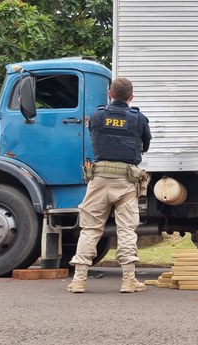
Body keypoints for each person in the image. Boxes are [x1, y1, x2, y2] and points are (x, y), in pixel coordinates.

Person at [67, 77, 152, 293]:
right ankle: (128, 281)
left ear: (109, 94)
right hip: (125, 181)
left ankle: (78, 281)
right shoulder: (138, 119)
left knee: (90, 229)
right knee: (126, 230)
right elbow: (146, 144)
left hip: (98, 179)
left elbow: (94, 135)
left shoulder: (96, 116)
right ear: (131, 97)